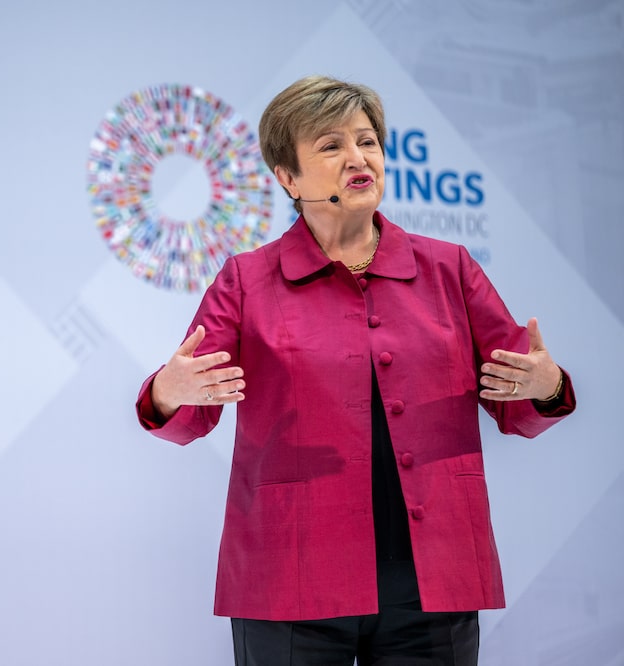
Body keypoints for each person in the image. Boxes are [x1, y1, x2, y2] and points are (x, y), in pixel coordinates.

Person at [135, 75, 576, 665]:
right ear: (286, 177)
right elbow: (189, 414)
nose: (357, 157)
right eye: (331, 145)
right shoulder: (246, 280)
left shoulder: (450, 270)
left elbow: (517, 404)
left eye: (367, 141)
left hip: (433, 577)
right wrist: (167, 391)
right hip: (290, 577)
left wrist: (547, 389)